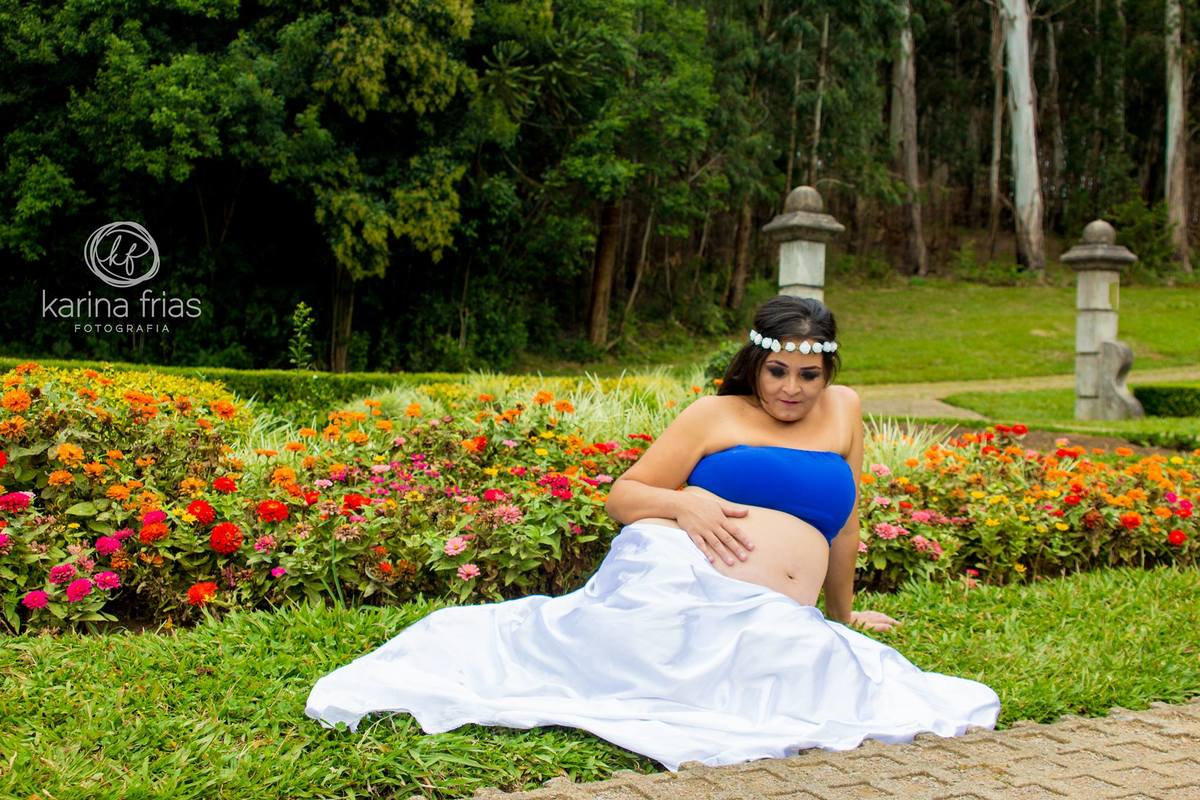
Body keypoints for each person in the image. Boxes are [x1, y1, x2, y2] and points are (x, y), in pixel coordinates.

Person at [305, 296, 1001, 772]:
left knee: (833, 680)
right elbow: (622, 496)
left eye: (808, 375)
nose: (791, 389)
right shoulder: (712, 415)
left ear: (830, 373)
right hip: (682, 573)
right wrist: (687, 503)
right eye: (777, 371)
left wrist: (844, 615)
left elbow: (844, 521)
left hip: (772, 608)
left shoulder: (844, 412)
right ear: (755, 364)